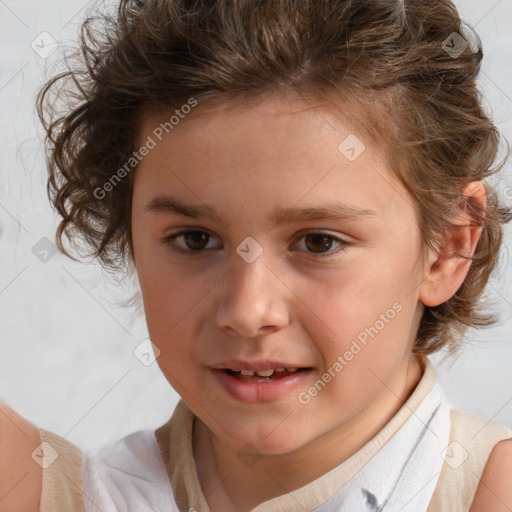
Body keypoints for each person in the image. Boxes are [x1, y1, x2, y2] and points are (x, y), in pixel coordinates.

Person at [8, 0, 510, 510]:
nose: (247, 312)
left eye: (319, 242)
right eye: (195, 239)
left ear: (448, 247)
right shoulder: (51, 490)